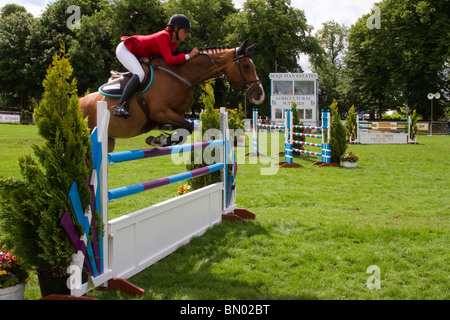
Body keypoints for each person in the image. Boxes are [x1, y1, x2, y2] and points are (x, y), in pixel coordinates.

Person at [113, 14, 199, 118]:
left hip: (136, 53)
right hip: (125, 49)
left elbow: (169, 60)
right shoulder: (163, 36)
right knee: (139, 74)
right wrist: (189, 56)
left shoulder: (173, 42)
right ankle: (119, 106)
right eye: (184, 31)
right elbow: (170, 60)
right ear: (175, 29)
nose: (186, 35)